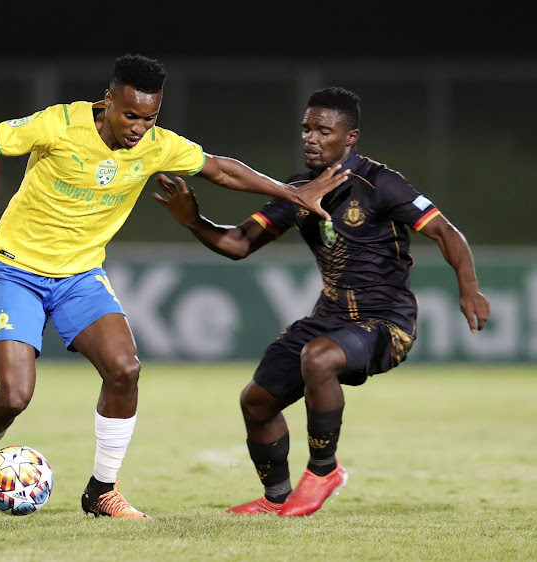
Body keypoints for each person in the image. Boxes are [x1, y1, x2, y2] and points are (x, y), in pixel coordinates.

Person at [0, 55, 350, 520]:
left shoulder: (156, 145)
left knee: (125, 369)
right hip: (18, 270)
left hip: (80, 276)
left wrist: (289, 192)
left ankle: (101, 490)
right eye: (130, 116)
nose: (139, 129)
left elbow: (220, 168)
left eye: (149, 119)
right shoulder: (58, 124)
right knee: (15, 397)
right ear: (108, 101)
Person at [153, 86, 490, 517]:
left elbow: (446, 232)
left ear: (350, 137)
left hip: (386, 321)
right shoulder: (296, 191)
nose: (310, 138)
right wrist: (193, 221)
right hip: (328, 318)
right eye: (306, 129)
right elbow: (239, 244)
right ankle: (276, 498)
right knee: (256, 401)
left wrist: (469, 287)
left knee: (319, 358)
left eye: (323, 131)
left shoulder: (380, 183)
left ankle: (324, 470)